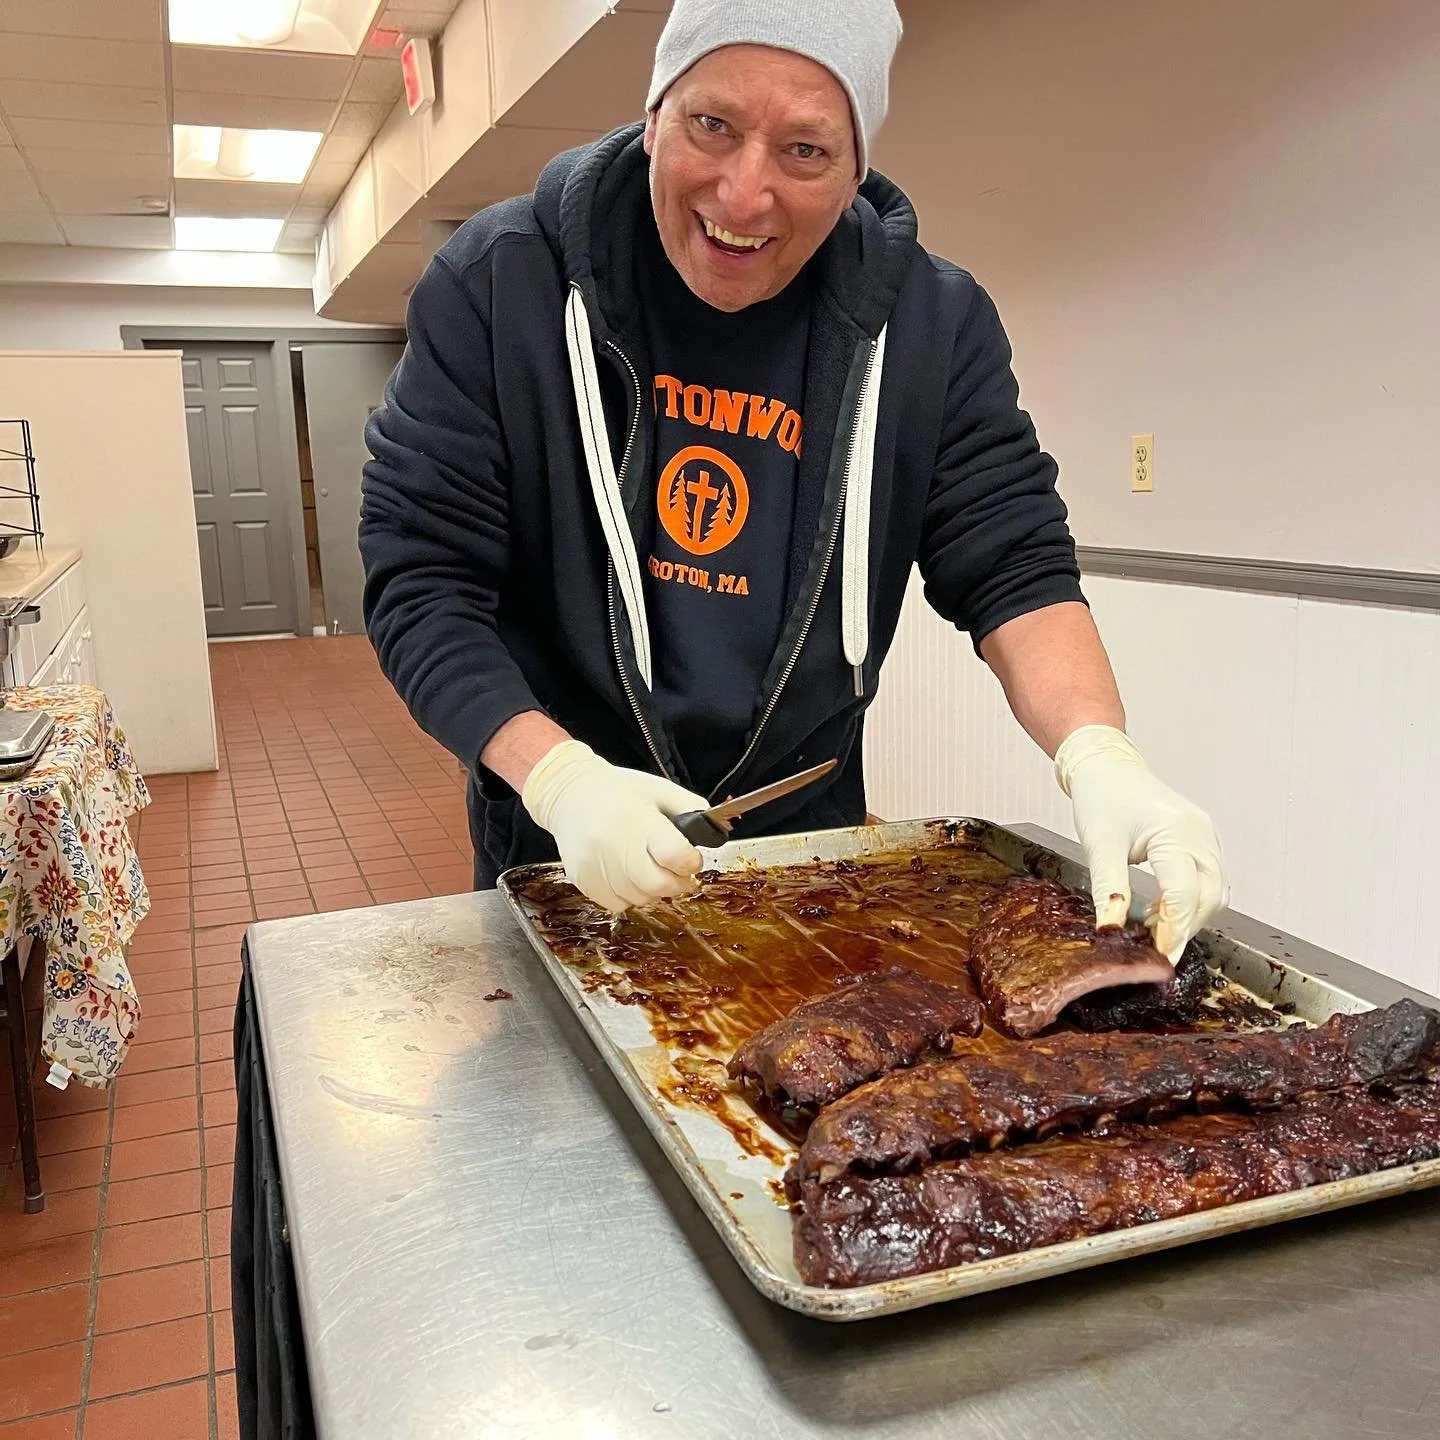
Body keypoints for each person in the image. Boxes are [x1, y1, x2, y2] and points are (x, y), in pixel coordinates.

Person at [360, 0, 1227, 962]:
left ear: (858, 168)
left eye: (806, 151)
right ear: (654, 114)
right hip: (568, 836)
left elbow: (1011, 558)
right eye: (712, 125)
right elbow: (421, 580)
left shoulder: (933, 328)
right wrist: (559, 778)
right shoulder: (497, 286)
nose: (742, 196)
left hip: (811, 847)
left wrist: (1098, 752)